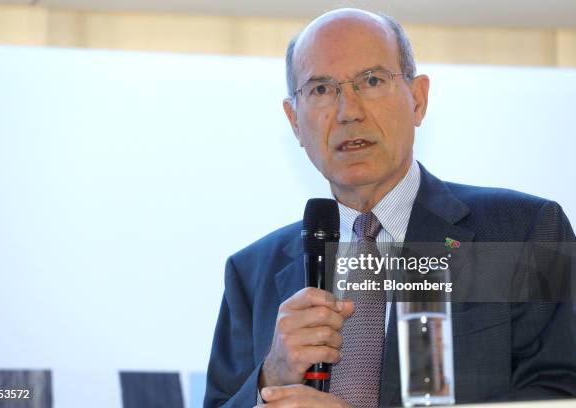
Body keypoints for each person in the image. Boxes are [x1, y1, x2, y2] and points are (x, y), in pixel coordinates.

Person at [203, 8, 576, 408]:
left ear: (418, 100)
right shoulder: (252, 273)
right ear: (295, 121)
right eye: (321, 89)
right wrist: (270, 377)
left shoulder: (521, 232)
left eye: (372, 80)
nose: (349, 111)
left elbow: (561, 394)